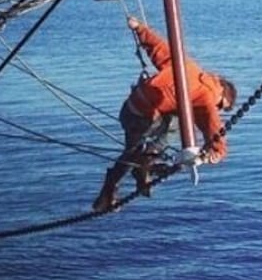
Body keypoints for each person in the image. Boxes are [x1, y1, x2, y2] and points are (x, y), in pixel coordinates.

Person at [93, 16, 238, 212]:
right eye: (221, 105)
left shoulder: (189, 67)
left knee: (132, 151)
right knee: (178, 120)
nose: (217, 108)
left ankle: (129, 175)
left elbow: (160, 48)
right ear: (222, 92)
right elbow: (212, 124)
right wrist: (218, 152)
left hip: (129, 109)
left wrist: (140, 29)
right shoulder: (208, 94)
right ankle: (144, 161)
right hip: (143, 117)